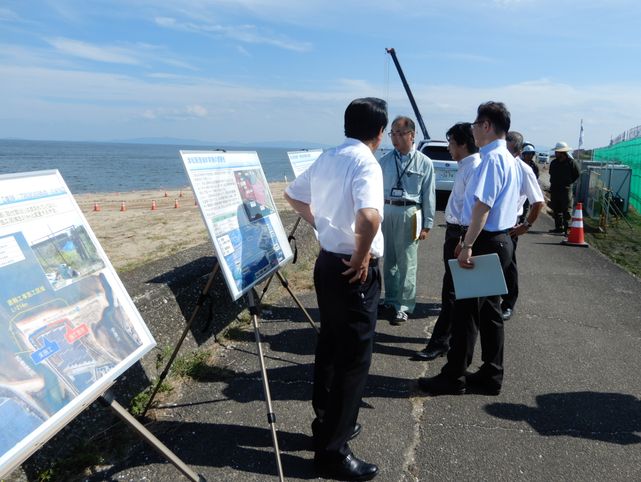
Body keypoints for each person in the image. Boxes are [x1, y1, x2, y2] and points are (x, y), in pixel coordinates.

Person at [284, 97, 387, 481]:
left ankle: (326, 424)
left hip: (327, 261)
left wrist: (322, 223)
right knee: (353, 358)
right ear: (379, 131)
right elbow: (369, 216)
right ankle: (333, 451)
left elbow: (293, 194)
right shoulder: (365, 162)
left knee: (329, 343)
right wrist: (361, 256)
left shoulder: (327, 157)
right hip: (351, 267)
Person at [417, 101, 522, 396]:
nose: (473, 130)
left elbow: (482, 206)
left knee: (466, 313)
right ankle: (491, 373)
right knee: (489, 311)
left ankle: (454, 376)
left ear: (486, 126)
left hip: (485, 240)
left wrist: (467, 244)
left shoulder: (491, 159)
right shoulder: (510, 158)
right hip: (501, 240)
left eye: (476, 125)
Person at [414, 122, 480, 360]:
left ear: (463, 143)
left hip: (460, 234)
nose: (449, 147)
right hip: (456, 231)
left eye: (451, 142)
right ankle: (448, 341)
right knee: (452, 290)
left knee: (452, 292)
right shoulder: (465, 166)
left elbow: (474, 210)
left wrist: (464, 240)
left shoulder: (474, 168)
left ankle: (442, 342)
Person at [378, 116, 435, 325]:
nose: (395, 138)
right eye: (393, 133)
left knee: (408, 262)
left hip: (410, 211)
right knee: (389, 260)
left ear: (412, 135)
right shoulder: (383, 161)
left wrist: (427, 224)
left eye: (400, 133)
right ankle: (390, 300)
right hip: (387, 210)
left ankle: (405, 306)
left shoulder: (424, 162)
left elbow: (429, 195)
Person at [501, 132, 545, 320]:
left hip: (511, 225)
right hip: (491, 224)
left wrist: (526, 225)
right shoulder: (496, 164)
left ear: (518, 151)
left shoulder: (524, 170)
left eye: (508, 148)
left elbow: (538, 202)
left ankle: (508, 303)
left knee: (509, 264)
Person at [549, 141, 580, 235]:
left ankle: (568, 230)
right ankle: (559, 228)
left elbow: (577, 174)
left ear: (562, 153)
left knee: (567, 210)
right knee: (556, 209)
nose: (555, 153)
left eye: (557, 152)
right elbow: (551, 173)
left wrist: (568, 183)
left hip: (566, 190)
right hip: (555, 189)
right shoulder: (554, 163)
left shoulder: (571, 163)